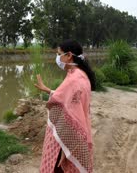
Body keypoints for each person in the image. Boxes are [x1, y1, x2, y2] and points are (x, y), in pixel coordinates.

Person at [34, 39, 95, 173]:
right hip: (71, 138)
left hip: (64, 141)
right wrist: (48, 90)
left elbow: (71, 114)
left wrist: (65, 149)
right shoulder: (80, 75)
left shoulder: (74, 79)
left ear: (69, 55)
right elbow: (69, 100)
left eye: (59, 53)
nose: (57, 57)